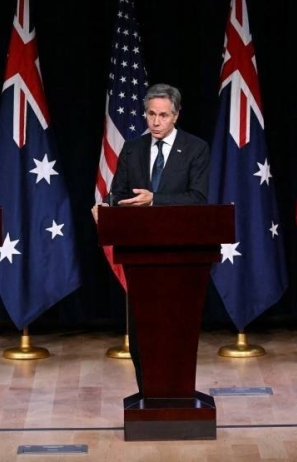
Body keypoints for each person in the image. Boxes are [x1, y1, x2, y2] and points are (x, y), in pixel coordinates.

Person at [94, 83, 210, 391]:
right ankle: (148, 394)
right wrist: (105, 206)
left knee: (176, 329)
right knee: (142, 332)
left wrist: (155, 200)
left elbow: (198, 198)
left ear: (176, 115)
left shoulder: (196, 148)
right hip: (140, 254)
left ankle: (177, 395)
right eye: (150, 114)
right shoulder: (132, 148)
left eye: (163, 115)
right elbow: (119, 194)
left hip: (182, 255)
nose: (156, 122)